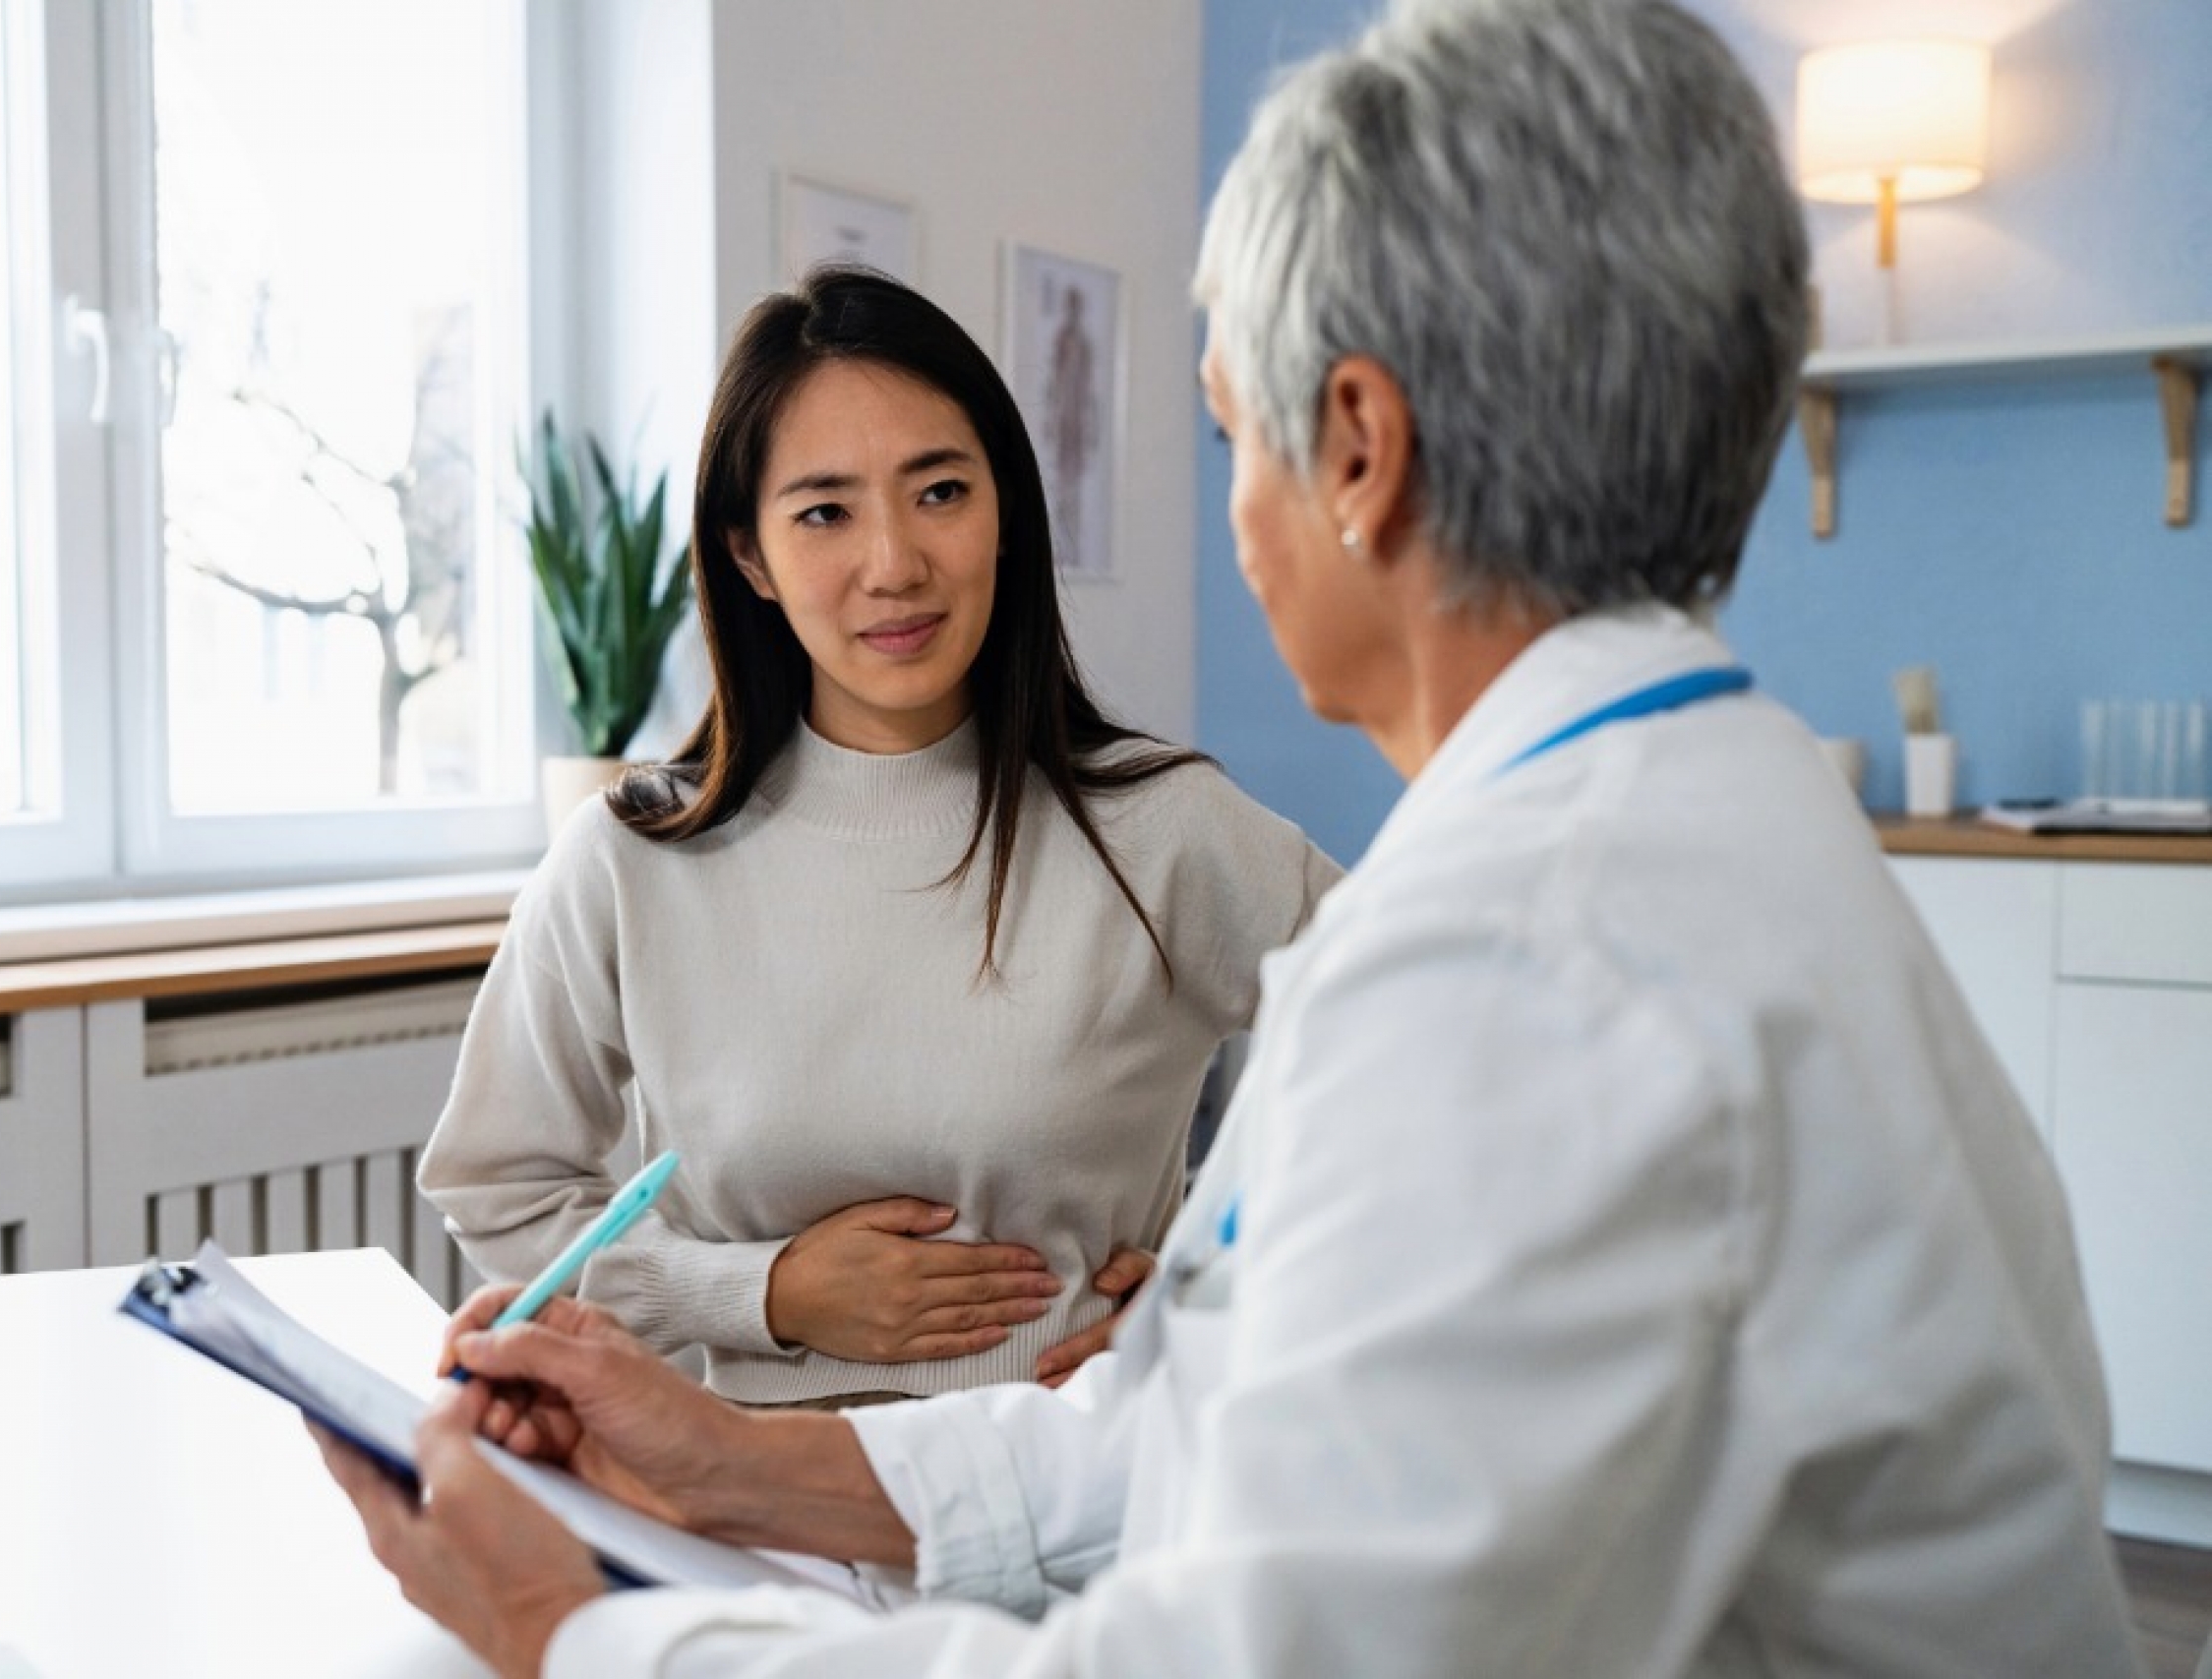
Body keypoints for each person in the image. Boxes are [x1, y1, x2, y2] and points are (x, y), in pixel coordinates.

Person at [319, 1, 2148, 1671]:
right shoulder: (1671, 833)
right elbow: (1197, 1433)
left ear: (1356, 444)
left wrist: (581, 1633)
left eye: (1226, 425)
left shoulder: (1521, 964)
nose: (1237, 510)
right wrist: (727, 1455)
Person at [419, 266, 1340, 1409]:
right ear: (748, 556)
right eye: (823, 513)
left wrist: (1224, 1288)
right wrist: (759, 1295)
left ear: (1003, 507)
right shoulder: (631, 859)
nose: (895, 563)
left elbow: (1442, 1044)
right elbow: (495, 1185)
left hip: (1076, 1509)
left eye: (941, 492)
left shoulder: (1163, 829)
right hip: (749, 1507)